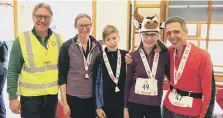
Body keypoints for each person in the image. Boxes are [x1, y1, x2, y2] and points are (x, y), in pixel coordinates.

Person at [7, 3, 63, 118]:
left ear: (51, 20)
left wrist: (64, 96)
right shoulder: (21, 39)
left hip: (52, 97)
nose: (42, 20)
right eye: (39, 16)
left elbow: (64, 69)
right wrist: (12, 97)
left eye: (46, 17)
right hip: (30, 99)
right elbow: (12, 70)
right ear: (33, 17)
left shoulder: (58, 39)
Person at [162, 16, 215, 118]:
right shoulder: (168, 52)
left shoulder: (203, 56)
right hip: (168, 107)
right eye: (169, 33)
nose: (172, 36)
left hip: (191, 112)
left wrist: (205, 115)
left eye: (176, 32)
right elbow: (151, 45)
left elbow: (209, 92)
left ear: (185, 32)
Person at [124, 8, 170, 118]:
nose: (149, 38)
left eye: (153, 34)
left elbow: (171, 78)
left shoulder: (164, 55)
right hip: (134, 102)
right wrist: (125, 108)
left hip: (154, 104)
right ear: (140, 35)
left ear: (158, 36)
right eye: (145, 34)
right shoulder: (132, 56)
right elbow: (128, 82)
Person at [58, 13, 102, 118]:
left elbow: (101, 73)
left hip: (92, 97)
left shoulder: (97, 46)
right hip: (73, 97)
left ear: (91, 26)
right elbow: (62, 76)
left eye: (87, 25)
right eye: (81, 25)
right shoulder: (67, 46)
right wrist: (65, 103)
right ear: (75, 26)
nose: (84, 29)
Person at [95, 25, 127, 118]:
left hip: (122, 105)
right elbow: (96, 83)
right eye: (108, 39)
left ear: (119, 38)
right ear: (104, 41)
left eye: (114, 38)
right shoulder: (99, 58)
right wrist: (98, 107)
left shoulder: (126, 55)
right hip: (105, 105)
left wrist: (127, 107)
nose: (112, 42)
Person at [0, 41, 8, 118]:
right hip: (3, 71)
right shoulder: (2, 44)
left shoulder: (2, 44)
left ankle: (2, 115)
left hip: (1, 72)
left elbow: (3, 58)